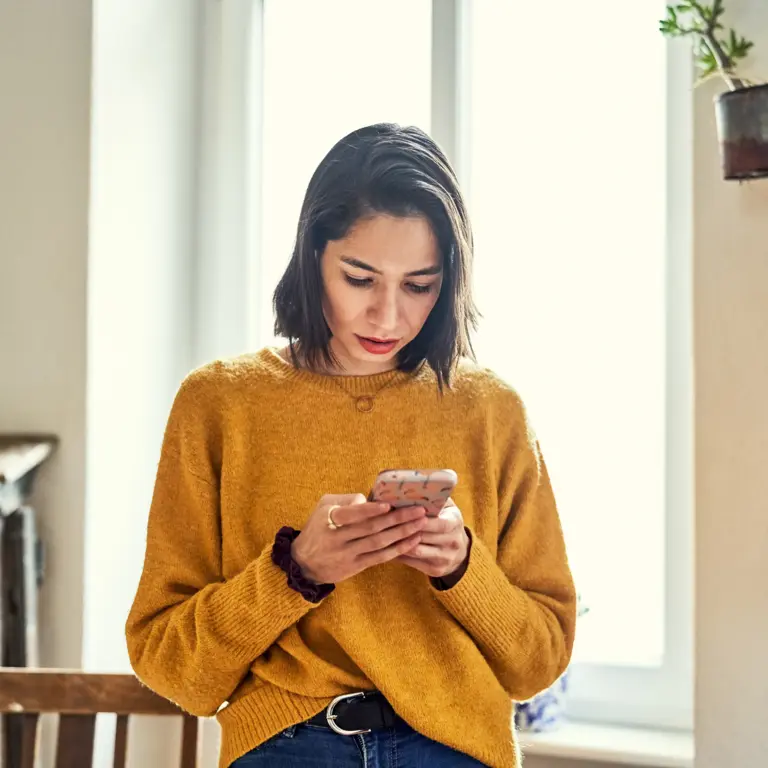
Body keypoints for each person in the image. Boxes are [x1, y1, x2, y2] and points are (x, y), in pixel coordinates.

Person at [125, 123, 576, 768]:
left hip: (456, 747)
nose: (388, 317)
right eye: (360, 278)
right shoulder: (219, 403)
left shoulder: (491, 411)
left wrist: (462, 569)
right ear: (312, 257)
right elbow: (172, 667)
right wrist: (295, 571)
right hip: (285, 744)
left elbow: (538, 662)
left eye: (419, 285)